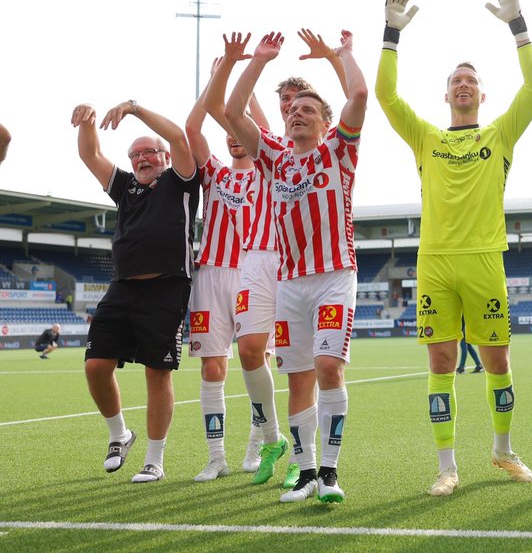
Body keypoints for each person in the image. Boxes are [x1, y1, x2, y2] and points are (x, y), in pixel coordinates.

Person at [375, 0, 532, 497]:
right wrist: (390, 35)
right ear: (446, 95)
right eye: (456, 81)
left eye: (471, 80)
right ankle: (447, 466)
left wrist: (518, 26)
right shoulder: (426, 136)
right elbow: (386, 95)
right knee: (441, 363)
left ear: (482, 94)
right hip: (435, 263)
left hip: (484, 260)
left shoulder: (499, 134)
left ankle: (503, 450)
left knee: (497, 362)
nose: (464, 85)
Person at [225, 29, 368, 504]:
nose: (296, 113)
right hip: (289, 284)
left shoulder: (338, 153)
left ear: (327, 122)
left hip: (333, 276)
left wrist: (341, 55)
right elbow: (231, 112)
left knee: (329, 367)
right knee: (297, 375)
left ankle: (329, 471)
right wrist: (258, 62)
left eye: (307, 109)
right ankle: (305, 472)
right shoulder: (274, 159)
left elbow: (360, 94)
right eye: (291, 109)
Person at [72, 98, 200, 483]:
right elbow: (90, 153)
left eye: (148, 152)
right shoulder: (126, 186)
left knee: (157, 373)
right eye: (135, 155)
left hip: (167, 287)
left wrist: (134, 109)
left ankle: (154, 459)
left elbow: (178, 135)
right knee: (96, 365)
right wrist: (87, 121)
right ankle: (120, 435)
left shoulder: (181, 180)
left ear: (164, 156)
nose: (141, 159)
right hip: (123, 287)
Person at [184, 41, 281, 483]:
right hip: (210, 274)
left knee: (253, 357)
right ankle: (215, 456)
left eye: (237, 131)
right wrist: (218, 74)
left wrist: (248, 71)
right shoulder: (216, 172)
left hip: (253, 272)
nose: (233, 136)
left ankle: (258, 445)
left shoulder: (266, 166)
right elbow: (192, 128)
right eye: (229, 133)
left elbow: (256, 121)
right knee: (212, 366)